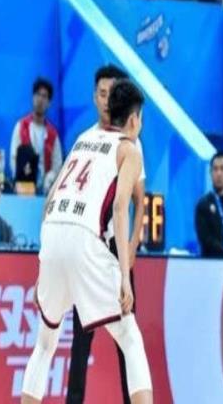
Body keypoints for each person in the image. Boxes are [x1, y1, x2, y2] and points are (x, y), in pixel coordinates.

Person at [21, 78, 152, 404]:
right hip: (84, 238)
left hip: (53, 232)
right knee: (130, 337)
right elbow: (120, 208)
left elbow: (50, 198)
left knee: (45, 343)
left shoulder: (83, 138)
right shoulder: (130, 149)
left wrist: (43, 263)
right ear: (134, 119)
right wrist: (124, 277)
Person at [66, 65, 146, 404]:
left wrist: (132, 245)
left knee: (127, 338)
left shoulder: (131, 144)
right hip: (88, 247)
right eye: (102, 93)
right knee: (81, 336)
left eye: (112, 94)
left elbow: (139, 201)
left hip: (116, 248)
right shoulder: (86, 140)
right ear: (94, 96)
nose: (107, 100)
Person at [10, 77, 63, 194]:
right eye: (38, 95)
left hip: (45, 191)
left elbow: (57, 166)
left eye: (44, 96)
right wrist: (20, 180)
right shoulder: (21, 126)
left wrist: (49, 181)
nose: (40, 100)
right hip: (23, 189)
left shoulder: (53, 135)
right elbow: (14, 158)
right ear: (33, 97)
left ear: (49, 103)